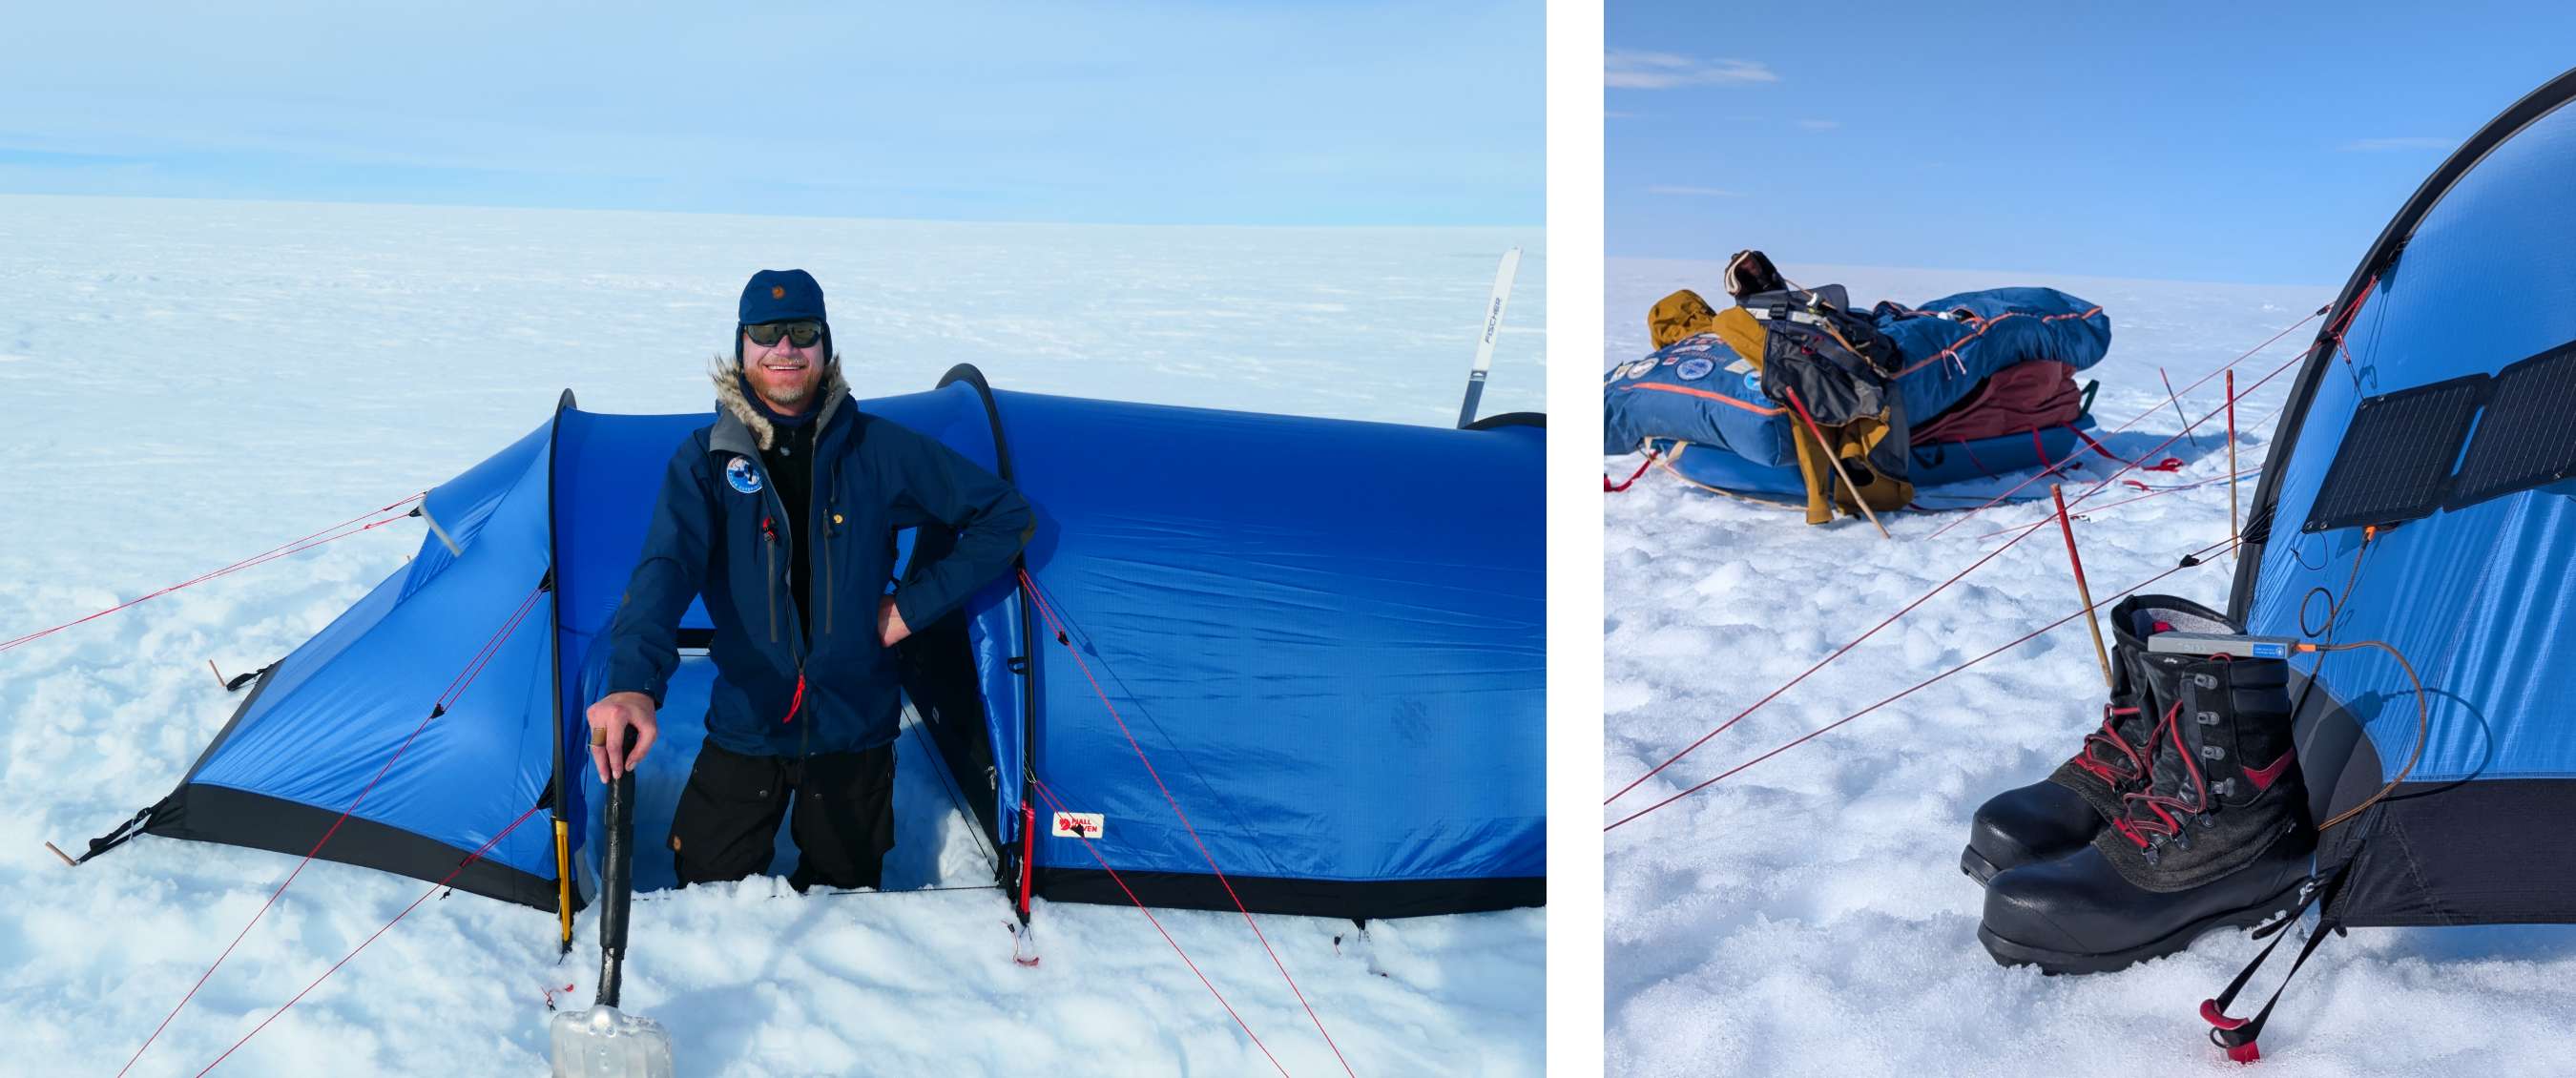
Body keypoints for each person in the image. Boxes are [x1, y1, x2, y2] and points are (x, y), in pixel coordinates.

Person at [586, 268, 1032, 891]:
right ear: (742, 347)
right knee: (707, 899)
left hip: (855, 727)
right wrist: (633, 684)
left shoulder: (879, 451)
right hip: (748, 720)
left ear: (825, 344)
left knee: (846, 907)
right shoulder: (706, 461)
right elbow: (665, 569)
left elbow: (1004, 516)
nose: (785, 349)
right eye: (767, 333)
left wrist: (909, 609)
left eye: (802, 331)